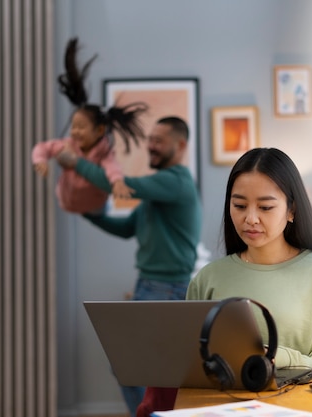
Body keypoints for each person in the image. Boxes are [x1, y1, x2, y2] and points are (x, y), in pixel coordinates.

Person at [137, 147, 312, 417]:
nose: (250, 218)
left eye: (265, 207)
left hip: (297, 407)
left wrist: (269, 355)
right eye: (239, 205)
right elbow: (191, 363)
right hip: (214, 406)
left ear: (291, 209)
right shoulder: (208, 278)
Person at [56, 116, 202, 417]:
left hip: (165, 290)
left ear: (181, 145)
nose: (152, 145)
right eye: (151, 139)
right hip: (149, 286)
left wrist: (77, 164)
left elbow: (126, 186)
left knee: (134, 369)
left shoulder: (175, 182)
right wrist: (88, 213)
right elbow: (125, 228)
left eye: (159, 140)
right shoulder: (156, 196)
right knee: (133, 369)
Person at [32, 37, 147, 214]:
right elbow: (43, 147)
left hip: (95, 207)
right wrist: (40, 160)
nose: (75, 131)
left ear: (99, 130)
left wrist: (117, 183)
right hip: (66, 201)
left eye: (81, 127)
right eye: (73, 126)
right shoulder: (67, 145)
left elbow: (113, 168)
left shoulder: (104, 153)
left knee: (101, 207)